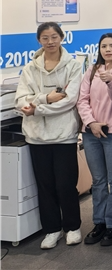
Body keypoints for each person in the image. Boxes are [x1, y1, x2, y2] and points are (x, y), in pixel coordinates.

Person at [14, 22, 83, 249]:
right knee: (45, 186)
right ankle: (52, 229)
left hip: (64, 135)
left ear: (62, 37)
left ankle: (72, 227)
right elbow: (19, 100)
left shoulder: (73, 66)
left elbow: (68, 100)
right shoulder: (30, 68)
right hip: (36, 136)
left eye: (54, 36)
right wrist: (45, 99)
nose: (50, 41)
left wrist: (35, 108)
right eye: (45, 37)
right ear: (39, 40)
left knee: (65, 184)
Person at [77, 33, 112, 247]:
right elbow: (82, 100)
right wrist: (91, 123)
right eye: (104, 46)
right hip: (91, 132)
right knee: (98, 181)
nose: (107, 49)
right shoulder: (91, 71)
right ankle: (99, 222)